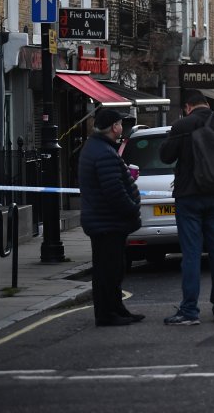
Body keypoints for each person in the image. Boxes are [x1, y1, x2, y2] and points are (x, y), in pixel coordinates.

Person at [159, 89, 214, 325]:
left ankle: (190, 311)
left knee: (192, 253)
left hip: (189, 196)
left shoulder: (182, 125)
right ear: (207, 104)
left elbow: (165, 156)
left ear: (188, 107)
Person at [78, 108, 144, 327]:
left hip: (105, 221)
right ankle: (107, 314)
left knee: (113, 269)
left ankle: (117, 309)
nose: (121, 127)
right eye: (119, 124)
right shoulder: (103, 152)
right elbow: (113, 190)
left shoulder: (98, 147)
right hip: (106, 222)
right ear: (113, 127)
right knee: (108, 271)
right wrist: (131, 207)